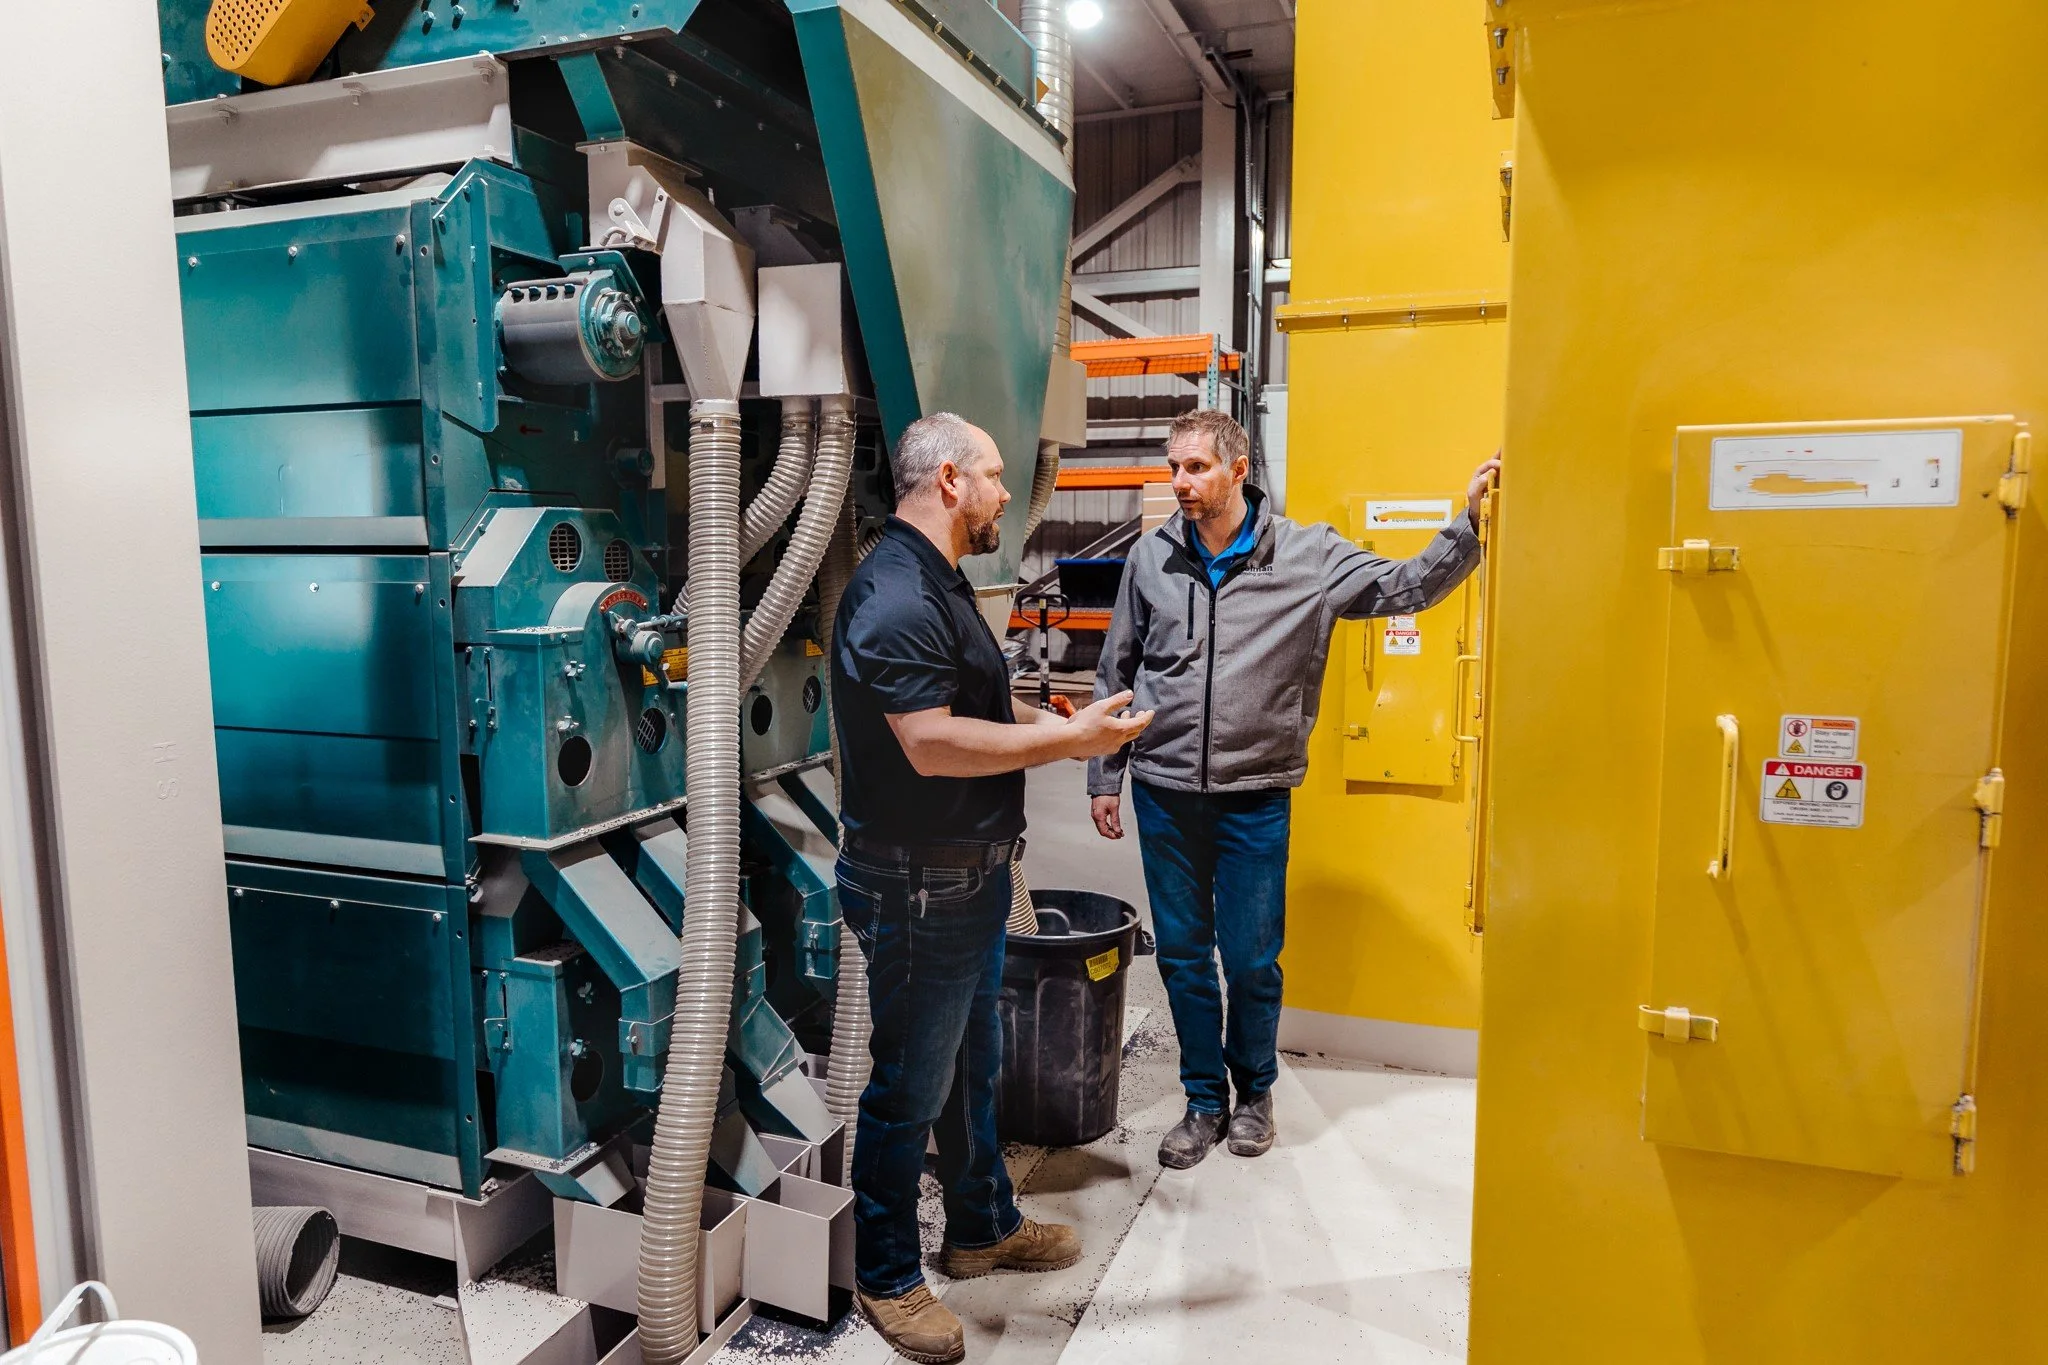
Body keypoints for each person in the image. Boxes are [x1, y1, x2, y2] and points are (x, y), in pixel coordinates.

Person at [1089, 408, 1498, 1170]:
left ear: (1238, 470)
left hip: (1254, 796)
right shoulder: (1151, 558)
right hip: (1164, 793)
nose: (1180, 482)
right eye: (1173, 467)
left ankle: (1255, 1093)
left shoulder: (1308, 556)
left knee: (1251, 959)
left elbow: (1406, 585)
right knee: (1182, 956)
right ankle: (1203, 1099)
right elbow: (1118, 667)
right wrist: (1104, 774)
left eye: (1196, 467)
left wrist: (1468, 525)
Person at [833, 411, 1154, 1364]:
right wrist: (1067, 744)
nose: (1008, 493)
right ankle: (887, 1273)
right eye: (996, 475)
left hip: (963, 880)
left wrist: (1058, 722)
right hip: (917, 885)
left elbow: (972, 703)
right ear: (948, 481)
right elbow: (930, 742)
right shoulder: (894, 593)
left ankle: (979, 1226)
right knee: (909, 1084)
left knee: (973, 1062)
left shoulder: (938, 580)